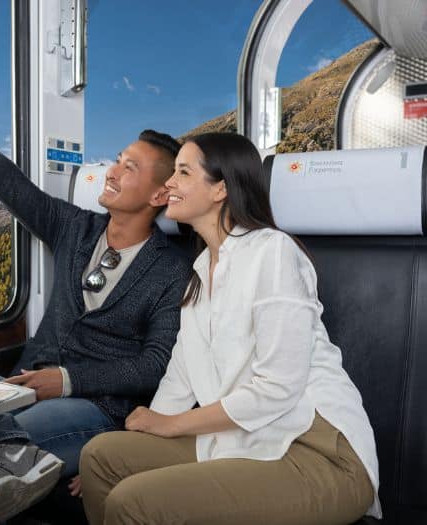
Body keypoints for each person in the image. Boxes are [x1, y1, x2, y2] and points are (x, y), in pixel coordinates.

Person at [0, 84, 190, 525]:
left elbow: (155, 364)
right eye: (118, 159)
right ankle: (8, 442)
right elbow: (14, 187)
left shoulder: (172, 269)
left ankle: (5, 441)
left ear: (159, 195)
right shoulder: (75, 227)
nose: (111, 170)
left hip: (95, 407)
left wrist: (66, 381)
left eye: (130, 167)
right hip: (21, 386)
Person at [79, 132, 381, 525]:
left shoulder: (272, 252)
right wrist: (144, 434)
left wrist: (171, 425)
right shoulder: (201, 270)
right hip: (240, 438)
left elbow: (277, 388)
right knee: (101, 457)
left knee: (132, 502)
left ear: (220, 188)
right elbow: (180, 376)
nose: (169, 182)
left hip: (315, 449)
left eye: (183, 173)